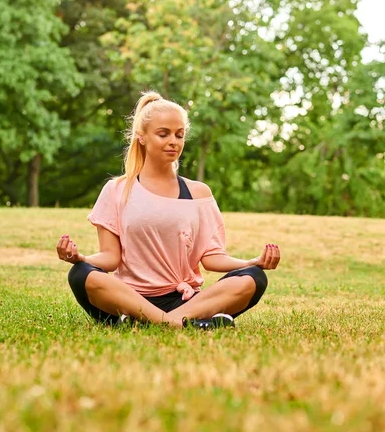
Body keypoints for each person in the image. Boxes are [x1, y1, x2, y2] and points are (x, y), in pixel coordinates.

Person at [57, 91, 280, 330]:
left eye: (179, 135)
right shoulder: (117, 189)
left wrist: (251, 261)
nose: (173, 141)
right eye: (163, 134)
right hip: (131, 298)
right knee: (81, 274)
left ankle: (148, 323)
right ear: (141, 137)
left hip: (184, 300)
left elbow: (212, 257)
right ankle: (184, 323)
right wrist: (81, 259)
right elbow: (110, 258)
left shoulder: (199, 193)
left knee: (253, 278)